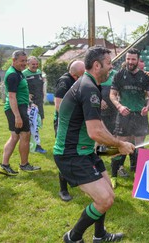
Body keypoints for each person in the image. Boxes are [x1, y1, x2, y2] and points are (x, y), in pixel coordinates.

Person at [54, 46, 135, 243]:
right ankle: (73, 238)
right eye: (109, 63)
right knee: (104, 199)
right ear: (97, 65)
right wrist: (120, 144)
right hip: (71, 154)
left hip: (84, 151)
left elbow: (98, 126)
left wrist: (116, 145)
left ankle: (99, 236)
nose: (112, 67)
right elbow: (95, 132)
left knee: (108, 193)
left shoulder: (90, 85)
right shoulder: (88, 88)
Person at [109, 48, 149, 187]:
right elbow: (112, 95)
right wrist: (119, 106)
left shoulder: (145, 77)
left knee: (139, 147)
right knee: (120, 145)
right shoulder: (118, 75)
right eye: (128, 59)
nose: (130, 61)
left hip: (140, 116)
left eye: (133, 59)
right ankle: (114, 176)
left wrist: (148, 107)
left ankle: (138, 176)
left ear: (138, 60)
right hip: (124, 115)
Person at [0, 50, 41, 176]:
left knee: (15, 137)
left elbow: (20, 93)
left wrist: (29, 102)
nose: (24, 63)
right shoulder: (13, 75)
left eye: (25, 61)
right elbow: (11, 97)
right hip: (16, 109)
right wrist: (17, 116)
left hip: (19, 107)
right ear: (13, 60)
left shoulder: (18, 73)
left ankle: (4, 165)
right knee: (24, 135)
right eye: (22, 61)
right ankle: (23, 165)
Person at [54, 60, 85, 202]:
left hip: (76, 125)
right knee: (65, 155)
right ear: (74, 75)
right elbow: (58, 106)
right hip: (65, 126)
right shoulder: (64, 81)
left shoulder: (80, 81)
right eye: (82, 74)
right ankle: (63, 189)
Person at [22, 56, 46, 154]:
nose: (35, 66)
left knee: (39, 123)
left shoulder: (39, 72)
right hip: (30, 104)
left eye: (36, 64)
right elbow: (21, 87)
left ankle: (32, 144)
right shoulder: (24, 74)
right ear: (28, 64)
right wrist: (27, 96)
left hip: (39, 102)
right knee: (33, 124)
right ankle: (36, 145)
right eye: (33, 64)